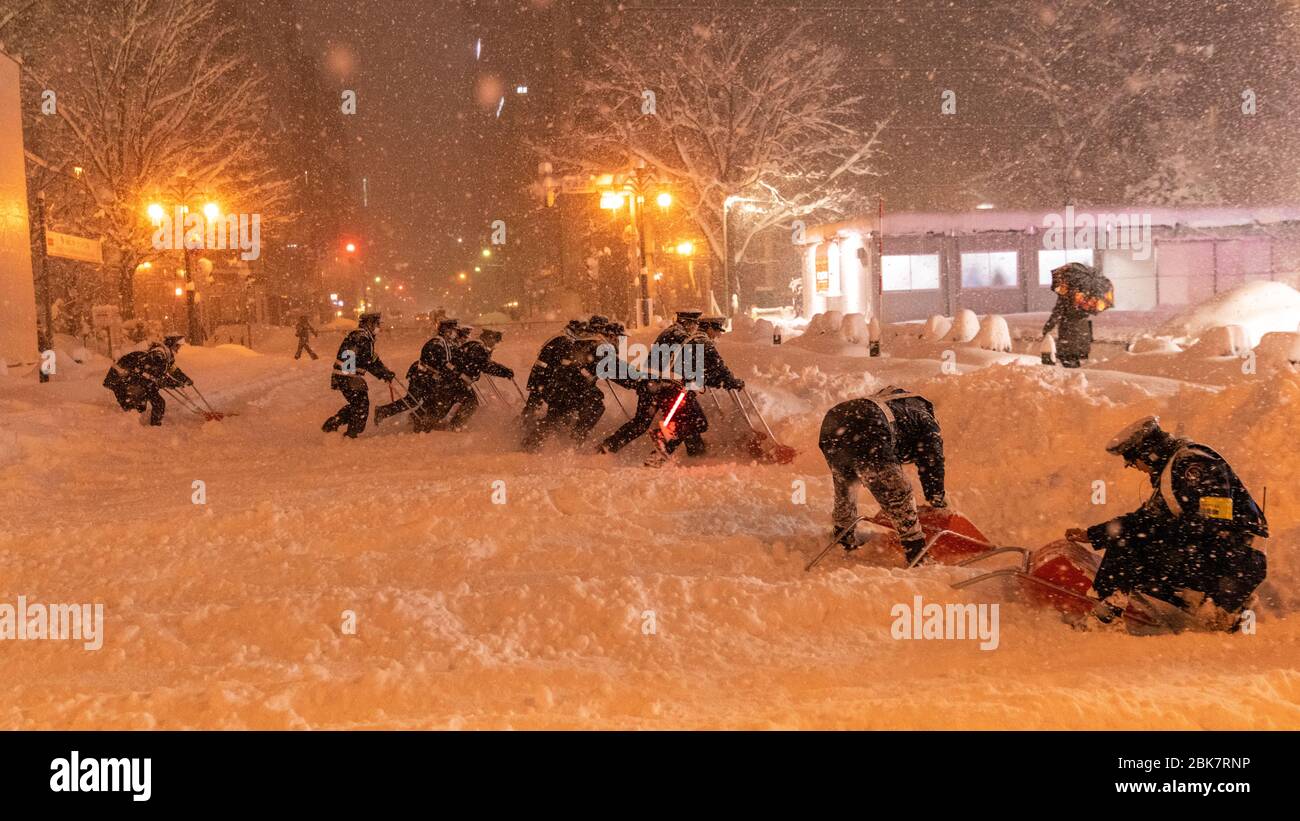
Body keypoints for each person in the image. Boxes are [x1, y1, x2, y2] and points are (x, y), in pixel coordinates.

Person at [1066, 417, 1268, 627]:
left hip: (1234, 558)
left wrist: (1155, 534)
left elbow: (1212, 522)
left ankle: (1105, 619)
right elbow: (1144, 520)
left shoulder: (1194, 465)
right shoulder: (1173, 470)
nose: (1131, 466)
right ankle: (1210, 606)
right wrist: (1094, 534)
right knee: (1136, 547)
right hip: (1222, 555)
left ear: (1148, 453)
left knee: (1128, 545)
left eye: (1132, 460)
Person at [817, 386, 947, 565]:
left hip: (835, 420)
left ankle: (843, 535)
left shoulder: (898, 404)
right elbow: (933, 461)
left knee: (847, 483)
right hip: (868, 426)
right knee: (899, 492)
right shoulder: (926, 420)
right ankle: (916, 554)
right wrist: (937, 499)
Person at [645, 316, 745, 465]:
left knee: (688, 421)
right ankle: (660, 445)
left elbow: (702, 370)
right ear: (710, 328)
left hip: (671, 386)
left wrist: (718, 381)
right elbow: (718, 366)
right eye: (717, 331)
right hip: (677, 388)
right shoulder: (702, 341)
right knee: (697, 422)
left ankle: (696, 453)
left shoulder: (693, 339)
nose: (717, 335)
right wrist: (730, 381)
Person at [521, 326, 605, 451]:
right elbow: (573, 372)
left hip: (554, 388)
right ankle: (531, 442)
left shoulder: (567, 341)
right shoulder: (569, 344)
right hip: (559, 390)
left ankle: (531, 442)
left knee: (555, 419)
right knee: (554, 419)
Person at [374, 318, 460, 431]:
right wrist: (451, 372)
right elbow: (441, 364)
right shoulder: (436, 344)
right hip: (421, 375)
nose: (455, 333)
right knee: (412, 400)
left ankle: (419, 420)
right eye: (453, 330)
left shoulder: (444, 343)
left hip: (427, 376)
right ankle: (384, 411)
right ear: (446, 331)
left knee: (430, 399)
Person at [322, 313, 394, 438]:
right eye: (377, 324)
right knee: (361, 406)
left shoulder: (361, 336)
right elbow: (368, 362)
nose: (378, 328)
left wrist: (385, 371)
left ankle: (335, 422)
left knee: (358, 404)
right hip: (349, 376)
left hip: (344, 375)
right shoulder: (363, 338)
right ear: (369, 324)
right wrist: (383, 374)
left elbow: (373, 359)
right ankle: (350, 434)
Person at [102, 335, 192, 426]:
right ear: (171, 344)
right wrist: (174, 383)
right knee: (138, 404)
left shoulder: (165, 354)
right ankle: (127, 427)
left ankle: (145, 426)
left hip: (135, 378)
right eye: (177, 346)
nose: (178, 349)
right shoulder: (158, 354)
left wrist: (184, 379)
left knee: (151, 403)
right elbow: (158, 376)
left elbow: (172, 369)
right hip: (122, 378)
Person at [442, 328, 515, 430]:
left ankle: (448, 424)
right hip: (456, 379)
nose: (496, 344)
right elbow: (486, 365)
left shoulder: (475, 346)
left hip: (455, 378)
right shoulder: (478, 347)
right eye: (496, 340)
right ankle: (454, 426)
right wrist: (505, 372)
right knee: (470, 403)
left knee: (453, 402)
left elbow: (483, 364)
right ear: (489, 338)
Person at [523, 319, 585, 420]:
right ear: (576, 330)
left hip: (540, 376)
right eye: (581, 331)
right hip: (545, 378)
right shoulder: (565, 340)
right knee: (536, 407)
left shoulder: (561, 336)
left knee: (532, 406)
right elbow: (562, 362)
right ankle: (525, 427)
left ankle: (523, 424)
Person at [1042, 278, 1094, 368]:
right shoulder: (1086, 297)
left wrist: (1047, 327)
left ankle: (1073, 377)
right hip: (1083, 332)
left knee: (1068, 360)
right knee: (1075, 360)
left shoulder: (1065, 297)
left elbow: (1057, 314)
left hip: (1069, 333)